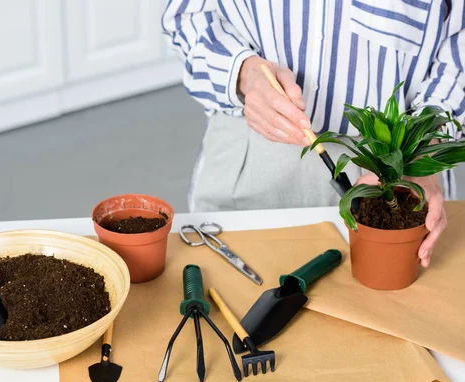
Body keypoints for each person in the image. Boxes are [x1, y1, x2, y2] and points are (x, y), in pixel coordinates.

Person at [161, 0, 465, 268]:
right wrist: (244, 72)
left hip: (401, 162)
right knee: (225, 292)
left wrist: (423, 152)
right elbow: (186, 17)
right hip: (255, 143)